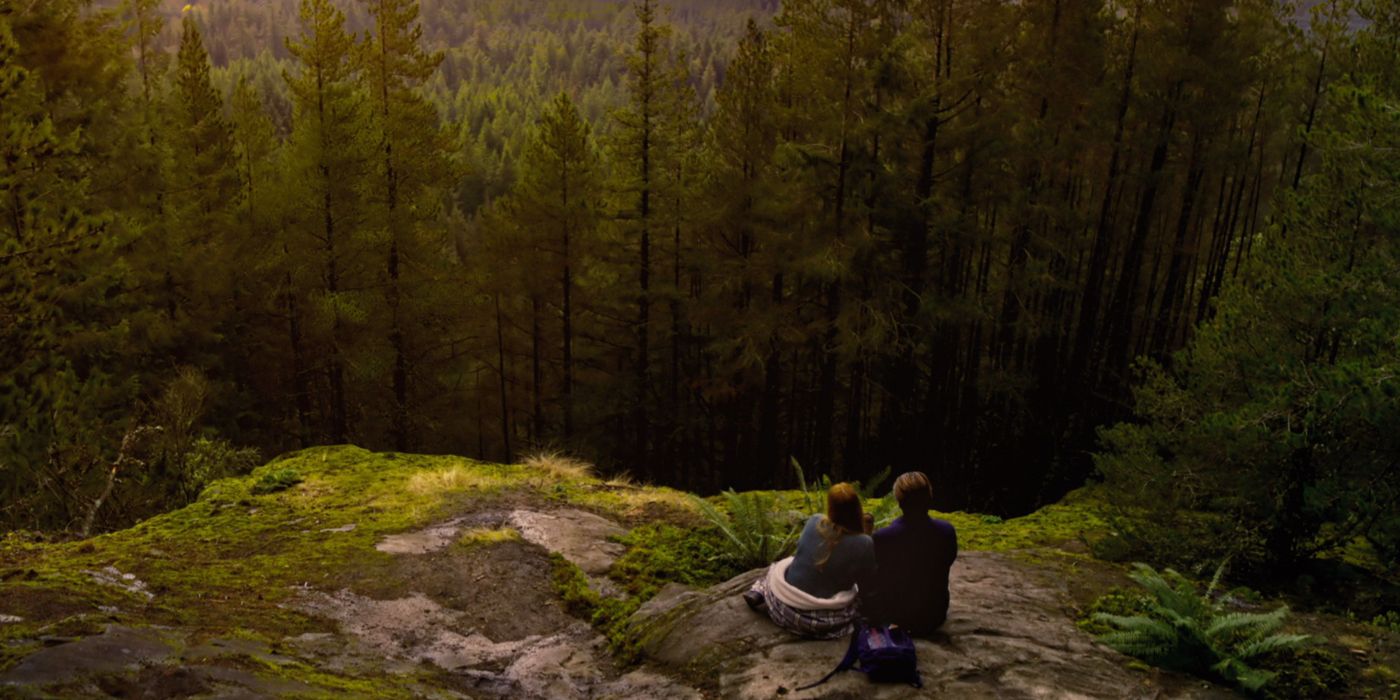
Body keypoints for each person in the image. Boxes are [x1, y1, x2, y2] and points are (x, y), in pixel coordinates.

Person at [743, 482, 877, 639]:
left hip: (782, 606)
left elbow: (803, 551)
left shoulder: (815, 520)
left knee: (780, 567)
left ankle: (759, 592)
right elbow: (867, 582)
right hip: (819, 619)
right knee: (854, 597)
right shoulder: (864, 543)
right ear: (857, 508)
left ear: (831, 508)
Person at [868, 472, 958, 635]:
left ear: (898, 500)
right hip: (934, 614)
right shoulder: (946, 532)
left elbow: (875, 575)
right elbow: (947, 561)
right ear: (929, 496)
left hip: (895, 614)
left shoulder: (883, 537)